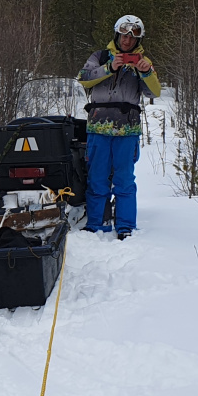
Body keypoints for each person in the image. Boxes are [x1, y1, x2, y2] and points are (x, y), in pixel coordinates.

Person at [79, 14, 161, 239]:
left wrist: (145, 72)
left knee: (124, 179)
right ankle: (97, 222)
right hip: (98, 127)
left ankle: (125, 226)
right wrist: (109, 68)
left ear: (138, 40)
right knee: (97, 176)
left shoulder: (143, 62)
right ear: (117, 34)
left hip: (127, 130)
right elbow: (83, 78)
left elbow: (154, 92)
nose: (127, 40)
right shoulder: (100, 56)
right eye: (124, 35)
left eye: (132, 36)